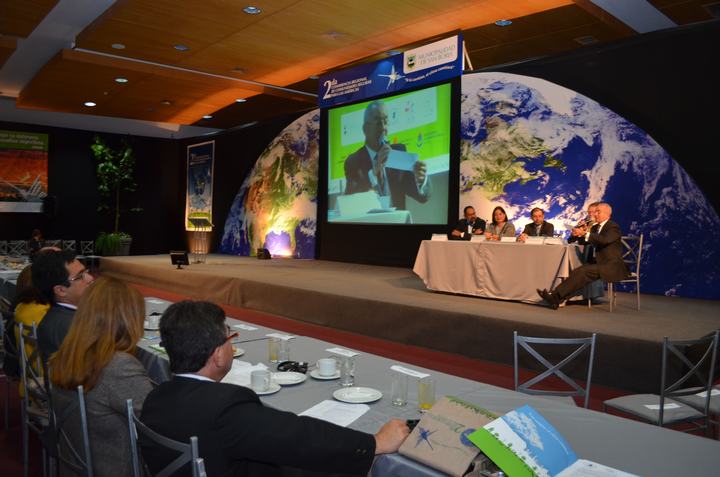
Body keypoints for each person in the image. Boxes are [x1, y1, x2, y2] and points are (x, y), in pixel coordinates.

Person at [141, 300, 409, 476]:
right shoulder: (226, 407)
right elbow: (299, 436)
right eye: (229, 338)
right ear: (218, 355)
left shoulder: (155, 397)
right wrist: (373, 443)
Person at [50, 277, 154, 477]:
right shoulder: (118, 366)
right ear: (128, 319)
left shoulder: (66, 355)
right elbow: (157, 422)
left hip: (76, 464)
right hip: (117, 468)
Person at [537, 202, 629, 309]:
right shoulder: (596, 227)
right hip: (599, 263)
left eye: (598, 212)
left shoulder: (613, 226)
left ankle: (555, 297)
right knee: (577, 271)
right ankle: (557, 298)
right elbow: (582, 242)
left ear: (607, 214)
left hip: (611, 265)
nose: (595, 214)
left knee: (583, 271)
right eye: (595, 212)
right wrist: (576, 234)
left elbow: (604, 240)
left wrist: (585, 233)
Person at [344, 100, 430, 210]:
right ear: (365, 129)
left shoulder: (399, 152)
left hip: (397, 220)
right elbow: (351, 202)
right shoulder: (353, 161)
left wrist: (420, 179)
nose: (383, 128)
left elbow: (422, 198)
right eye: (378, 123)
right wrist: (374, 172)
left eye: (385, 121)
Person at [33, 250, 94, 358]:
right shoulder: (71, 327)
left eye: (86, 272)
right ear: (61, 290)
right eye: (80, 276)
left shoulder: (61, 316)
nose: (90, 278)